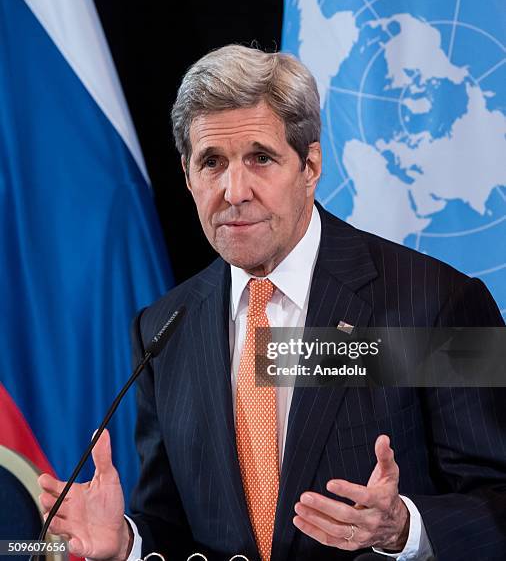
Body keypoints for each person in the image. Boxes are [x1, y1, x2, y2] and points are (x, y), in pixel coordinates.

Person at [39, 45, 506, 561]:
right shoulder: (164, 328)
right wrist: (130, 541)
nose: (234, 191)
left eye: (260, 158)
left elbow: (499, 503)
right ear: (188, 176)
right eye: (212, 163)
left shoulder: (437, 303)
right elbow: (174, 524)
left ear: (310, 165)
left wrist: (404, 530)